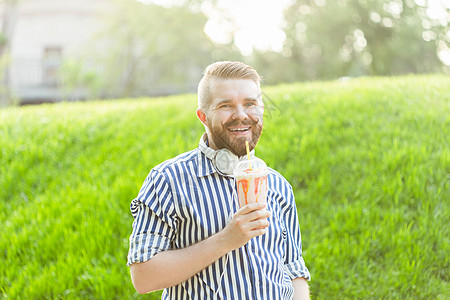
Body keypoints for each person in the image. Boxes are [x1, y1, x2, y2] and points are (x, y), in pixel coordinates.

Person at [127, 61, 311, 299]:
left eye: (250, 104)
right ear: (203, 116)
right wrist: (226, 240)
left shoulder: (278, 186)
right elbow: (143, 276)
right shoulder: (167, 181)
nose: (241, 115)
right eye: (226, 105)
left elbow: (293, 271)